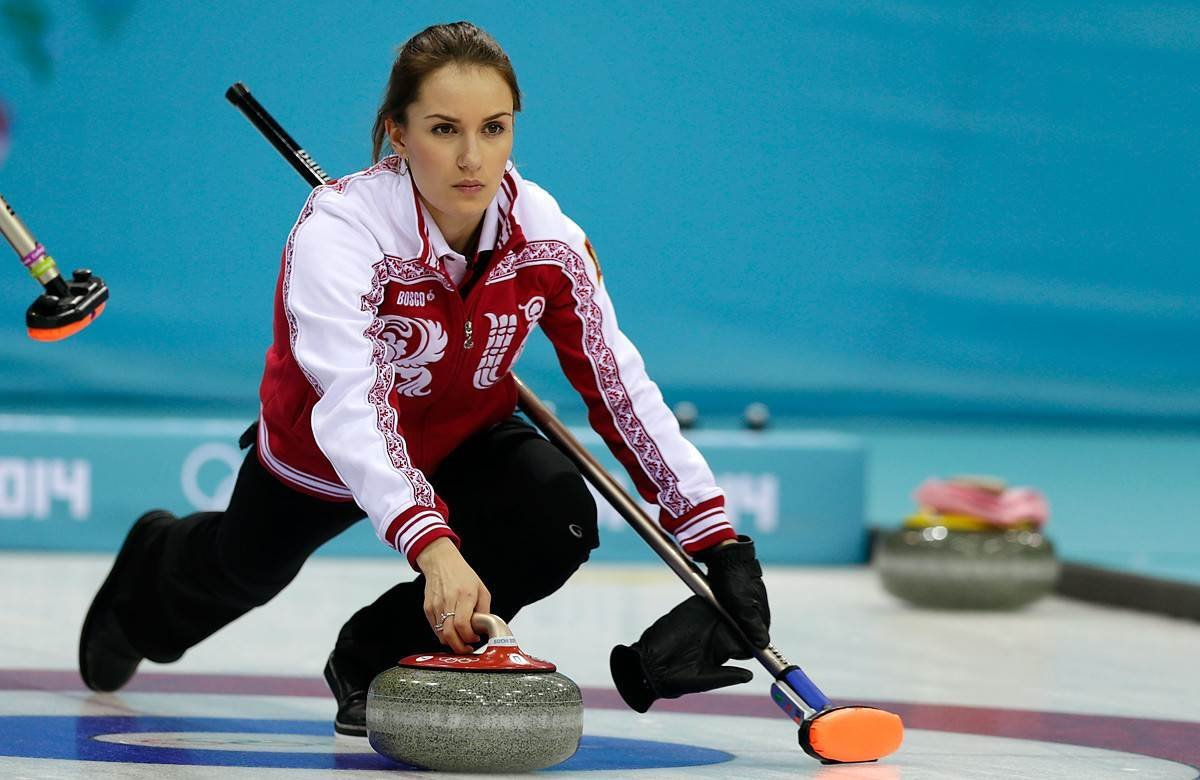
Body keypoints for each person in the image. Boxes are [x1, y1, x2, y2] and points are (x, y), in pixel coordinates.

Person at [78, 21, 770, 736]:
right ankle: (148, 576)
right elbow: (350, 405)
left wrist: (716, 541)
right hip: (327, 453)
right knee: (241, 574)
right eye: (444, 129)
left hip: (463, 435)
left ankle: (377, 660)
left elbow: (618, 385)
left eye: (494, 128)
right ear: (398, 134)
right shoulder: (340, 232)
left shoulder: (547, 238)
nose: (473, 159)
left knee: (553, 517)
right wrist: (432, 543)